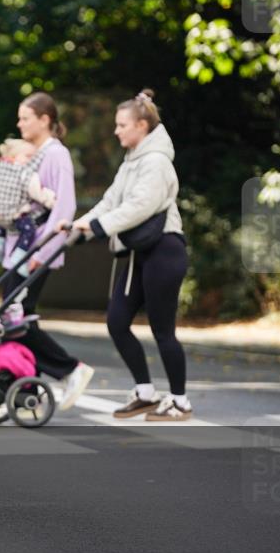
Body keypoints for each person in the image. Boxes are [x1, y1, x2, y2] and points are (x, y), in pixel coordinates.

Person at [67, 89, 191, 421]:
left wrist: (97, 226)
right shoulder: (132, 160)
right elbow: (110, 201)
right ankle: (146, 393)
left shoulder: (156, 162)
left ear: (141, 125)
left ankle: (179, 400)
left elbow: (139, 208)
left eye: (122, 125)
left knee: (163, 330)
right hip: (139, 252)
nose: (116, 131)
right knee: (117, 321)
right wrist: (77, 225)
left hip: (164, 249)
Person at [0, 92, 94, 411]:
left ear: (45, 120)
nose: (19, 123)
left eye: (25, 118)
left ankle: (69, 369)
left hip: (36, 252)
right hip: (19, 252)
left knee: (15, 319)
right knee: (14, 320)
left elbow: (64, 205)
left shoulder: (56, 154)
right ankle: (26, 392)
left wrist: (45, 251)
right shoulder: (30, 154)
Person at [0, 137, 58, 277]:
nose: (31, 160)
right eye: (28, 156)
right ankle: (18, 255)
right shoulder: (26, 173)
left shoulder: (3, 169)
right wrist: (53, 202)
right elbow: (38, 191)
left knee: (3, 222)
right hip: (15, 212)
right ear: (14, 157)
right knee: (29, 230)